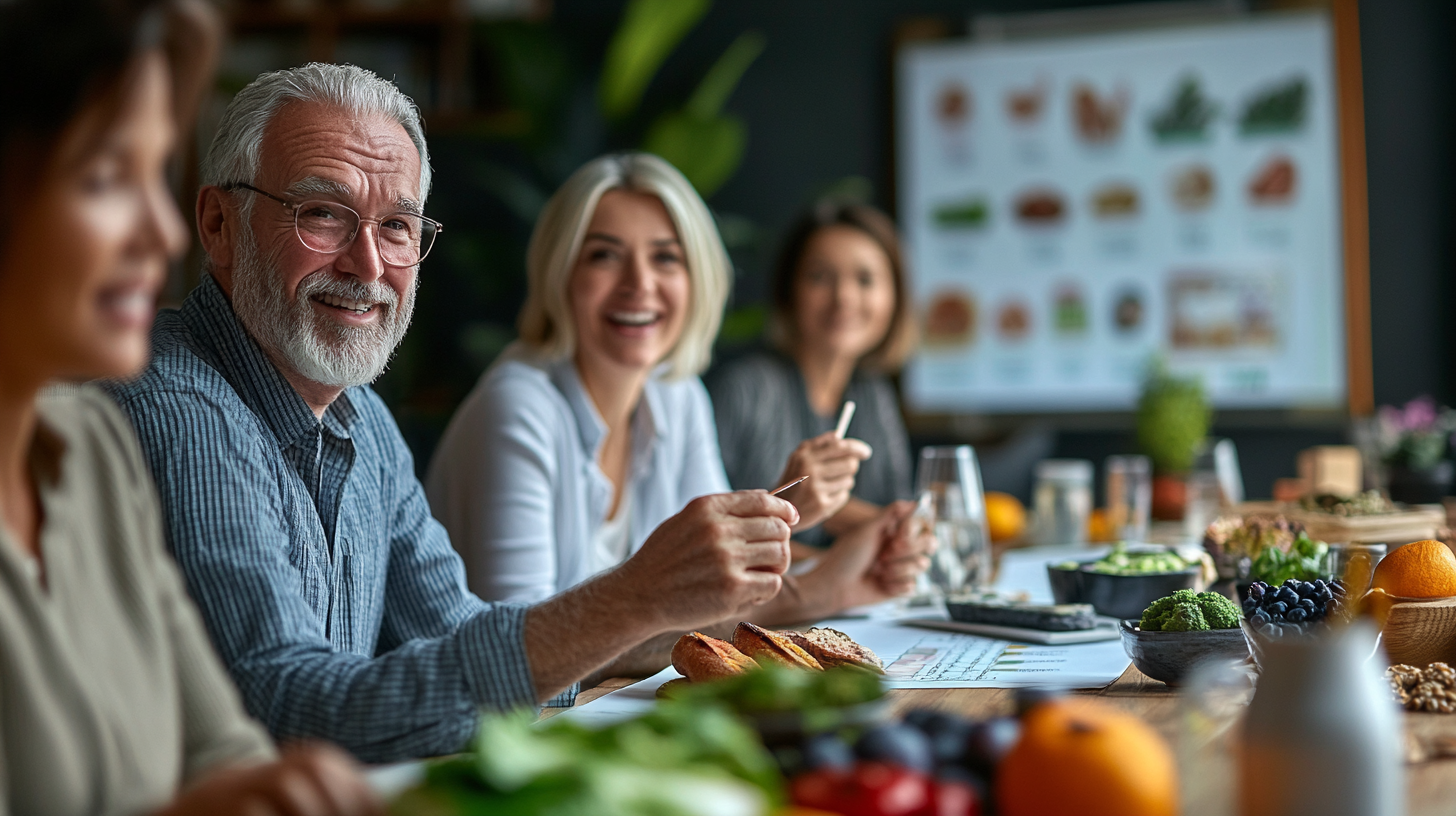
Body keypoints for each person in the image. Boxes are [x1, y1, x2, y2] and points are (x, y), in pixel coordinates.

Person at [104, 64, 798, 764]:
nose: (368, 264)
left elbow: (458, 636)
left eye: (397, 225)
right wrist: (633, 597)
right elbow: (287, 711)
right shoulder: (181, 411)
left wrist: (662, 604)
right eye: (322, 213)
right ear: (219, 224)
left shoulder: (364, 420)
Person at [0, 2, 382, 814]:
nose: (163, 233)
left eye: (155, 173)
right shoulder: (168, 406)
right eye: (106, 178)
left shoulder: (93, 448)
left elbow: (223, 749)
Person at [427, 154, 928, 628]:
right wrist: (824, 585)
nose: (639, 283)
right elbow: (521, 654)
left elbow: (713, 582)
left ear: (696, 279)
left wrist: (792, 515)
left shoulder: (676, 394)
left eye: (666, 258)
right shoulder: (518, 407)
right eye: (604, 255)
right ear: (560, 273)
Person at [707, 201, 918, 547]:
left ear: (895, 296)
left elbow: (895, 508)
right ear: (789, 291)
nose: (844, 297)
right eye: (820, 277)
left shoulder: (873, 395)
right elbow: (708, 526)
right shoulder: (745, 389)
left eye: (865, 280)